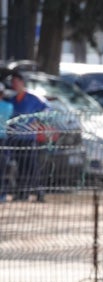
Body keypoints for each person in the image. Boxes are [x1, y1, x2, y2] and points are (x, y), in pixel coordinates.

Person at [7, 69, 48, 202]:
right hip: (16, 138)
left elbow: (46, 109)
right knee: (20, 166)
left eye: (17, 81)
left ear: (22, 82)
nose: (14, 84)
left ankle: (39, 193)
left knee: (32, 166)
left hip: (29, 138)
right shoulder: (12, 100)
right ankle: (22, 193)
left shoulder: (32, 98)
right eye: (12, 82)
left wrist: (38, 123)